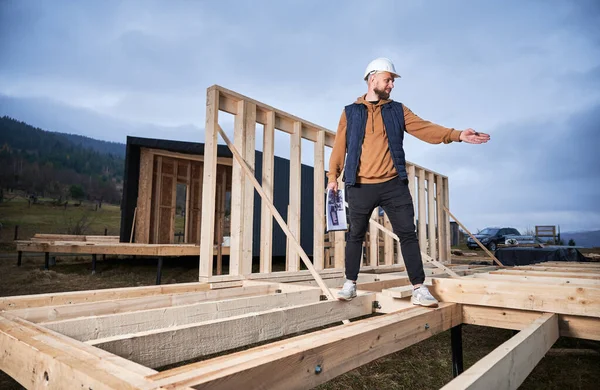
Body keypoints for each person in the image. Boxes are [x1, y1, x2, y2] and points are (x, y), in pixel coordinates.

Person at [328, 57, 490, 306]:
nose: (392, 84)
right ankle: (349, 284)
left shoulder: (397, 110)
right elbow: (340, 145)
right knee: (355, 236)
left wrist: (457, 135)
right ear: (373, 80)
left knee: (408, 235)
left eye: (392, 80)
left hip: (394, 185)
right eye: (388, 79)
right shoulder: (350, 112)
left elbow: (425, 129)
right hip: (359, 186)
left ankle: (418, 288)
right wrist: (333, 177)